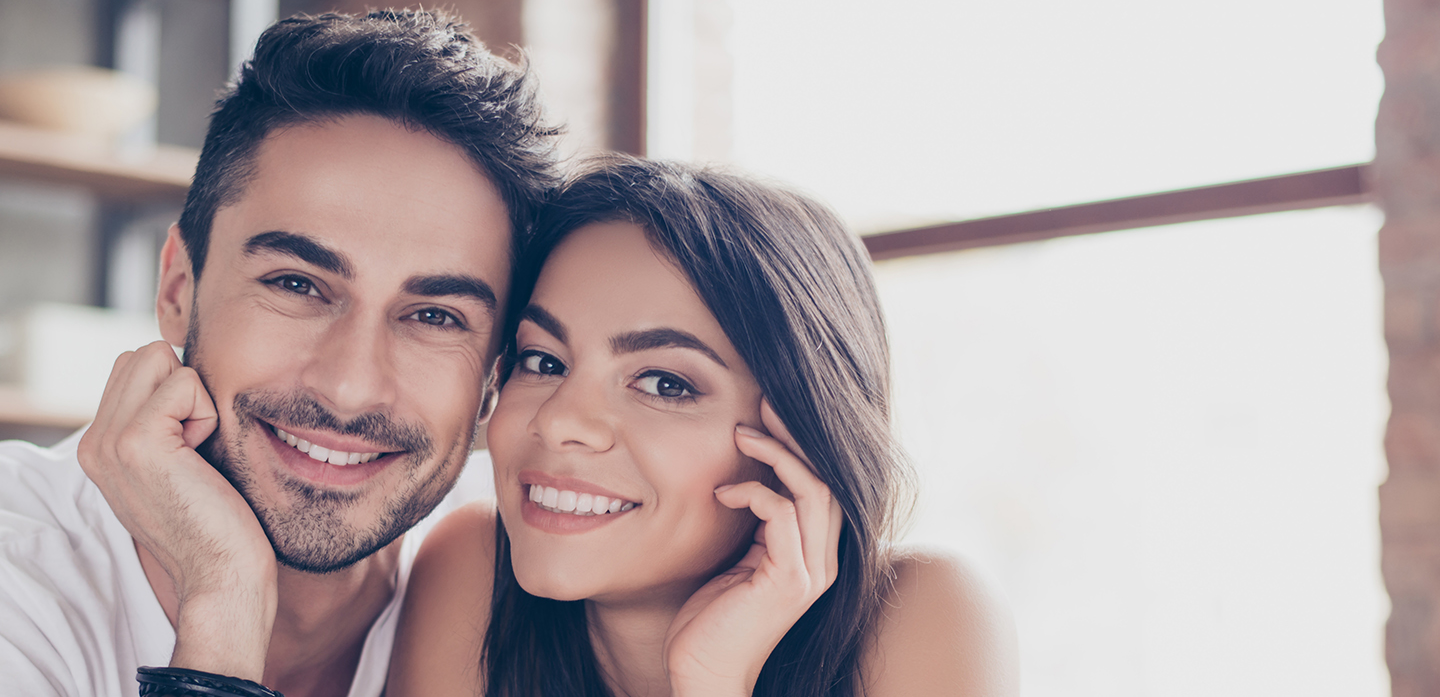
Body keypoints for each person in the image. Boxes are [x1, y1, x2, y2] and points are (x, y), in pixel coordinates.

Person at [0, 10, 556, 697]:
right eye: (296, 284)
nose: (349, 387)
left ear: (496, 373)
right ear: (178, 287)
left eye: (434, 316)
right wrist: (224, 601)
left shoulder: (520, 570)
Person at [387, 157, 1020, 696]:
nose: (558, 422)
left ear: (801, 434)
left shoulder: (923, 614)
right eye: (544, 361)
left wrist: (714, 680)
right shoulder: (473, 567)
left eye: (665, 383)